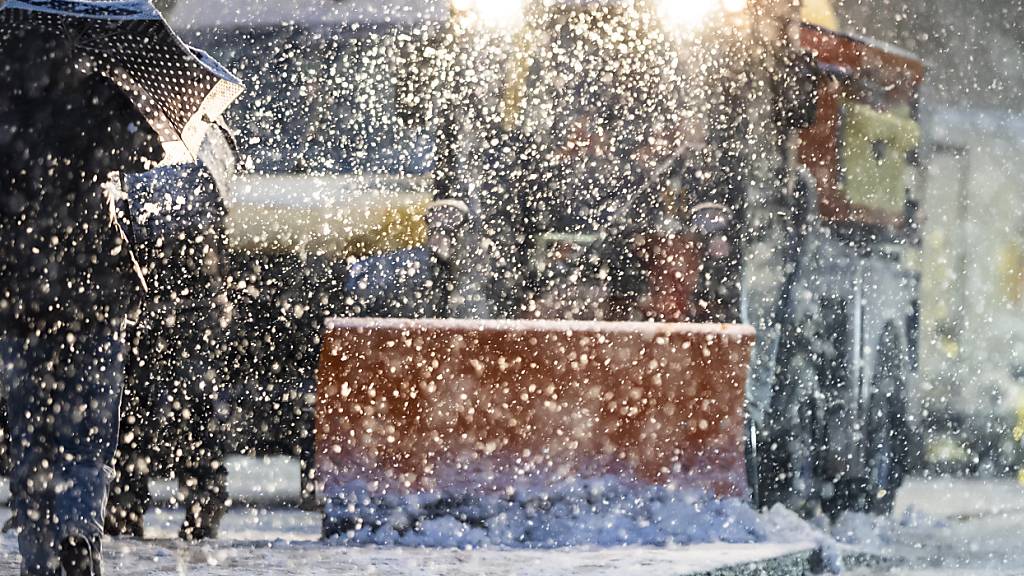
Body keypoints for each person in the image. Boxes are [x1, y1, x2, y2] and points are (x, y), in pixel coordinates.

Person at [0, 27, 164, 575]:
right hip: (94, 290)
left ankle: (38, 550)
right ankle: (78, 529)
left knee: (30, 435)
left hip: (19, 292)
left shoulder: (6, 89)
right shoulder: (98, 87)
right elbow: (149, 151)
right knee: (89, 429)